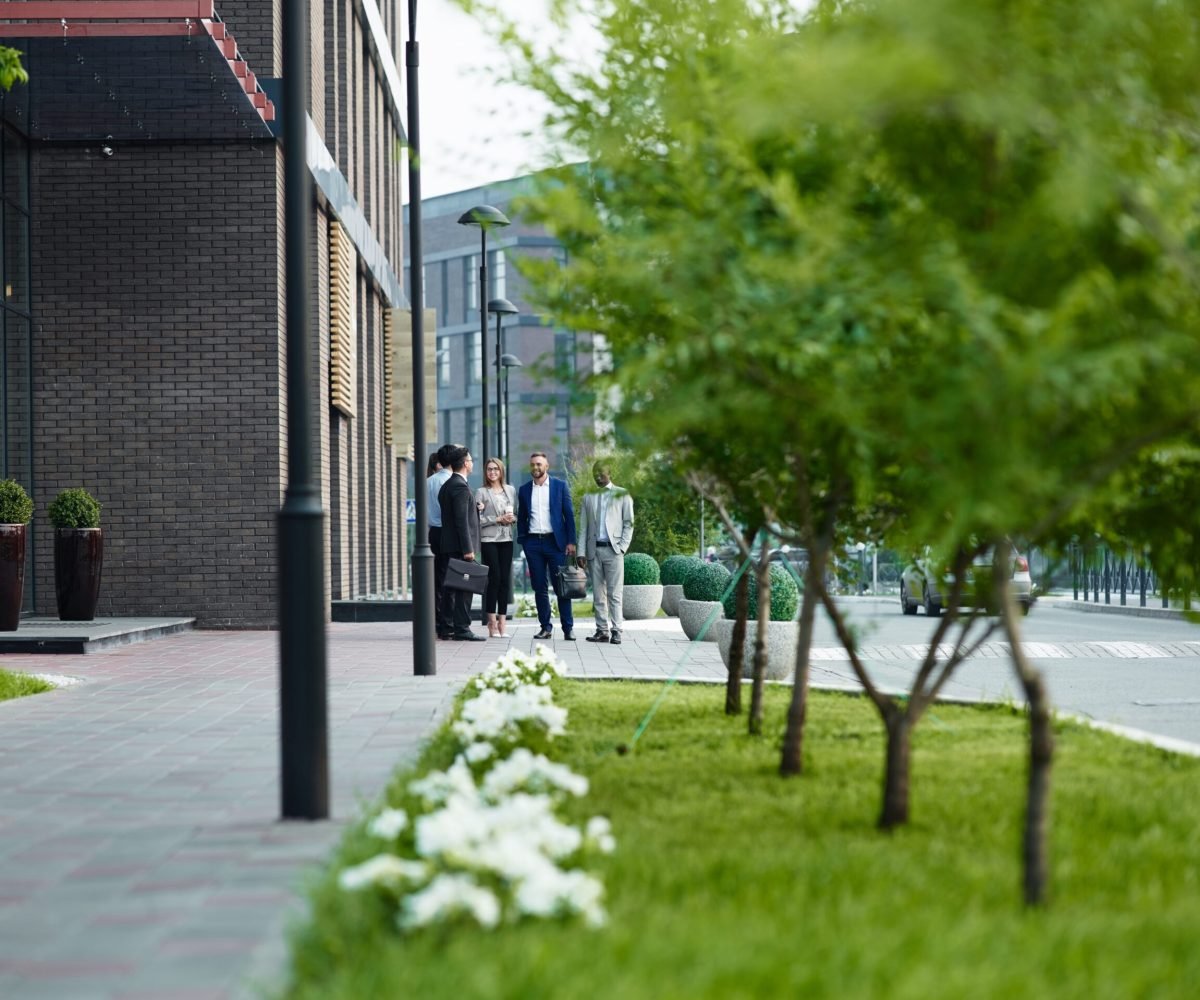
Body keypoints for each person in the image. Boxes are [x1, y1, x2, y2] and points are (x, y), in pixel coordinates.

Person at [516, 451, 577, 640]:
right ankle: (546, 627)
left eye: (539, 464)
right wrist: (524, 540)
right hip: (533, 543)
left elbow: (569, 516)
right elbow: (522, 518)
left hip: (555, 543)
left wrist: (571, 541)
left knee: (561, 586)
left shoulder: (560, 486)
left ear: (546, 466)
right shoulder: (524, 489)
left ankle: (568, 628)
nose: (536, 467)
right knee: (539, 587)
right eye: (533, 464)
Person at [577, 461, 635, 645]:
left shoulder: (622, 494)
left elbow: (629, 523)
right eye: (595, 473)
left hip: (614, 550)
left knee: (614, 593)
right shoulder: (588, 497)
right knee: (598, 595)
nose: (598, 476)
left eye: (601, 472)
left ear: (610, 473)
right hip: (594, 551)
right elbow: (584, 527)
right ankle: (602, 631)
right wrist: (581, 552)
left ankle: (617, 630)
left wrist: (623, 546)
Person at [437, 446, 486, 641]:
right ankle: (462, 628)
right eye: (471, 460)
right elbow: (460, 521)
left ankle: (447, 626)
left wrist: (474, 507)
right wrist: (468, 549)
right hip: (460, 547)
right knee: (465, 589)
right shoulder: (459, 486)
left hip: (451, 546)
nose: (473, 463)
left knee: (450, 588)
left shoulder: (449, 484)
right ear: (465, 463)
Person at [475, 458, 518, 638]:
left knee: (504, 581)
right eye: (489, 469)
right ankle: (491, 622)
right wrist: (496, 519)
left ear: (501, 471)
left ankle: (503, 622)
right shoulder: (481, 492)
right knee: (495, 578)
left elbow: (514, 514)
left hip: (506, 538)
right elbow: (477, 520)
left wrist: (512, 519)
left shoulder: (510, 490)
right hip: (489, 540)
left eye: (495, 469)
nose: (492, 472)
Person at [428, 443, 457, 640]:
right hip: (448, 532)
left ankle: (438, 621)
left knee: (437, 580)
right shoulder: (451, 482)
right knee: (451, 579)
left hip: (433, 533)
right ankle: (448, 623)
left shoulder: (428, 481)